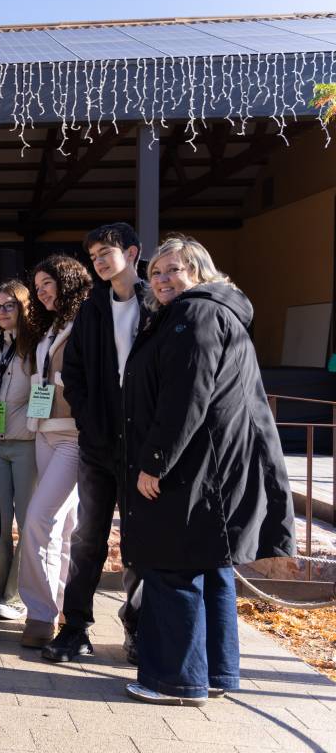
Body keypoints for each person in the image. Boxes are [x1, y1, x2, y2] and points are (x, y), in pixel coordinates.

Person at [121, 236, 295, 706]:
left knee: (172, 568)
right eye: (156, 273)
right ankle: (217, 674)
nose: (161, 280)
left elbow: (185, 397)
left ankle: (173, 681)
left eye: (173, 270)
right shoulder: (218, 312)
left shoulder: (193, 316)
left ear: (198, 272)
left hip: (192, 471)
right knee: (211, 568)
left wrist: (154, 462)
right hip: (213, 471)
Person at [46, 223, 149, 664]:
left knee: (141, 541)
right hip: (99, 443)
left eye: (107, 252)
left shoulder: (158, 305)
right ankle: (75, 627)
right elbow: (76, 374)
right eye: (94, 256)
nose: (101, 261)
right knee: (88, 536)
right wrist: (89, 422)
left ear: (132, 252)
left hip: (145, 446)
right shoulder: (91, 308)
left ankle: (139, 625)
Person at [17, 254, 92, 649]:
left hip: (72, 436)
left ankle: (40, 612)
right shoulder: (51, 326)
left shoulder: (87, 322)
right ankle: (58, 607)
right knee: (61, 528)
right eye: (39, 286)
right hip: (43, 432)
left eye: (49, 284)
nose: (43, 292)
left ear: (68, 283)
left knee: (36, 519)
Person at [0, 280, 37, 621]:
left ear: (24, 308)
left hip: (27, 444)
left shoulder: (35, 346)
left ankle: (16, 595)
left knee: (28, 521)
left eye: (9, 306)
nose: (2, 312)